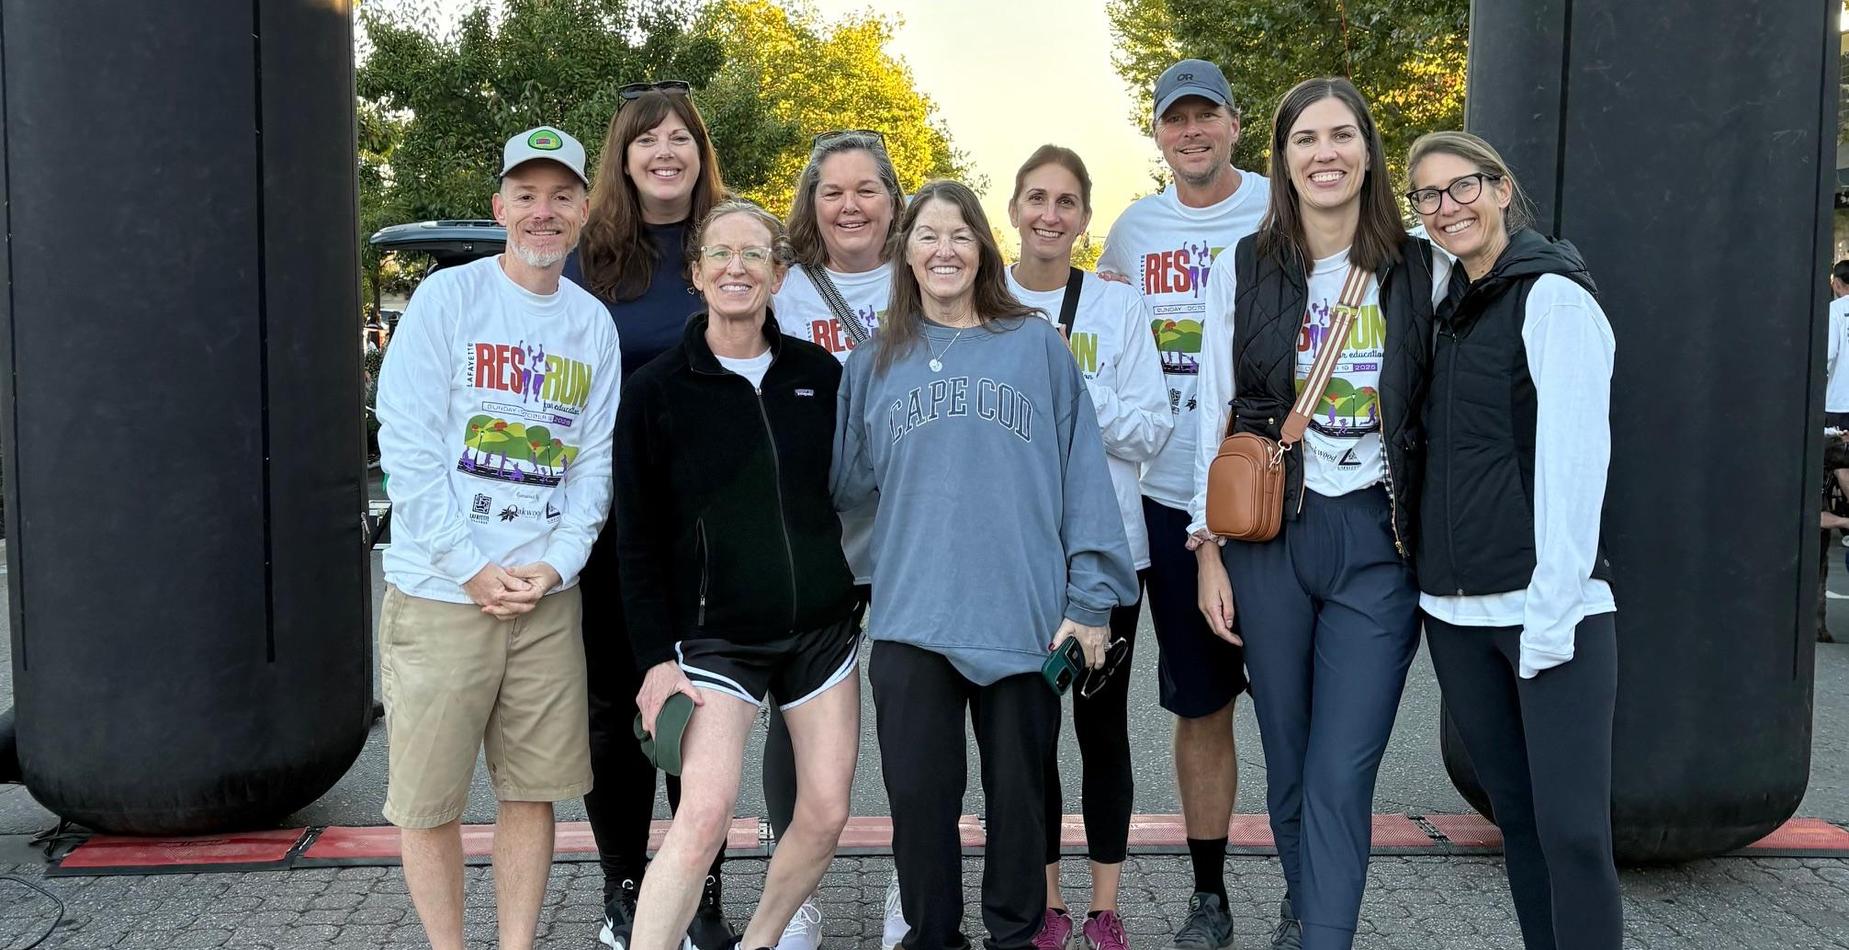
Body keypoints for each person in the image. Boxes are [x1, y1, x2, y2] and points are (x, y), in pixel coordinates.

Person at [832, 179, 1139, 950]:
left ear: (983, 249)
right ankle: (931, 936)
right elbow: (842, 487)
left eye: (959, 235)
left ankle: (1014, 935)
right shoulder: (871, 362)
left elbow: (1083, 481)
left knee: (1018, 805)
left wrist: (1093, 600)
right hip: (911, 617)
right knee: (919, 804)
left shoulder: (1035, 345)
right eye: (928, 236)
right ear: (904, 250)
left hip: (1022, 618)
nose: (943, 250)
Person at [1189, 78, 1450, 950]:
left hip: (1379, 539)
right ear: (1283, 157)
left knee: (1341, 771)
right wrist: (1206, 551)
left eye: (1342, 135)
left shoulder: (1422, 266)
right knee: (1290, 765)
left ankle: (1322, 935)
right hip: (1269, 536)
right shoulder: (1245, 265)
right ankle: (1307, 916)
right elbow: (1213, 411)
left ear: (1369, 152)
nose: (1324, 153)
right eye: (1305, 138)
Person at [374, 125, 620, 950]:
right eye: (526, 195)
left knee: (533, 790)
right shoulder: (450, 300)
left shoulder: (591, 324)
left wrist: (557, 565)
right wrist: (472, 567)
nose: (542, 213)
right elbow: (405, 447)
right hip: (443, 593)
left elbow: (593, 462)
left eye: (560, 197)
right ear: (499, 207)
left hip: (544, 599)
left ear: (585, 210)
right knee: (428, 801)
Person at [616, 199, 863, 950]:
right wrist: (655, 662)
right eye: (719, 254)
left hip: (820, 632)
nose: (736, 268)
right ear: (695, 274)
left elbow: (854, 487)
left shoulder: (821, 376)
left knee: (823, 814)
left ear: (779, 274)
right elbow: (634, 541)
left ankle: (756, 944)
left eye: (754, 255)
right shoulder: (656, 389)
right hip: (714, 637)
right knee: (702, 816)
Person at [1405, 129, 1621, 950]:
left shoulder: (1553, 298)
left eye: (1462, 186)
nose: (1446, 207)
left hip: (1549, 608)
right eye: (1427, 196)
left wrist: (1554, 607)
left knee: (1573, 834)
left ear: (1500, 190)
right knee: (1522, 826)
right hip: (1455, 616)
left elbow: (1576, 462)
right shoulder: (1445, 309)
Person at [1094, 58, 1269, 950]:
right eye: (1174, 120)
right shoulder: (1131, 231)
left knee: (1290, 703)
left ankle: (1313, 888)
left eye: (1206, 117)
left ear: (1235, 125)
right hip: (1165, 494)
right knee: (1200, 704)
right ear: (1157, 134)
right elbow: (1100, 341)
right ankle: (1209, 893)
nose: (1190, 132)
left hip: (1267, 493)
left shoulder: (1277, 207)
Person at [561, 81, 735, 950]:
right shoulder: (586, 260)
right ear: (622, 157)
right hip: (606, 527)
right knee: (614, 709)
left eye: (681, 138)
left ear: (701, 153)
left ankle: (698, 883)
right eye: (647, 139)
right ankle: (624, 883)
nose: (665, 152)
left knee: (702, 704)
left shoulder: (730, 242)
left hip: (707, 524)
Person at [1003, 145, 1171, 950]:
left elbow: (1150, 430)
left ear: (1083, 217)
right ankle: (1046, 905)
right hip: (1016, 559)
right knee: (1028, 736)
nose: (1049, 214)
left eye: (1066, 201)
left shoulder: (1116, 306)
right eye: (1035, 197)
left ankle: (1104, 907)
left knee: (1101, 735)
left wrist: (1072, 383)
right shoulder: (981, 298)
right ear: (1012, 210)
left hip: (1109, 555)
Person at [769, 127, 908, 950]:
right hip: (808, 532)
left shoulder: (928, 273)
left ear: (893, 202)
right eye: (832, 191)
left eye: (866, 190)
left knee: (909, 712)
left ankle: (908, 882)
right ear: (810, 205)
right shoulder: (782, 287)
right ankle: (795, 900)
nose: (850, 205)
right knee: (800, 719)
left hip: (904, 533)